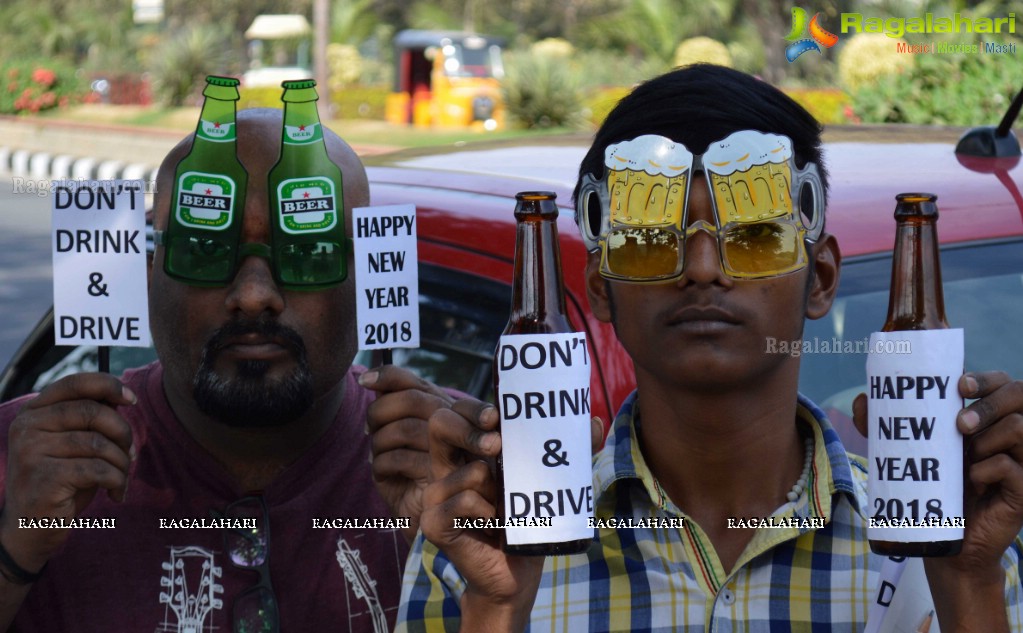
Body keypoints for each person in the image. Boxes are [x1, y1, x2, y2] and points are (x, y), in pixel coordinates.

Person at [396, 64, 1023, 631]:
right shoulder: (480, 539)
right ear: (601, 290)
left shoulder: (962, 540)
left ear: (821, 279)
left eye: (751, 236)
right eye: (649, 241)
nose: (701, 268)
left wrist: (966, 583)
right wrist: (498, 607)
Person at [0, 108, 444, 632]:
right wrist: (15, 548)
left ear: (370, 275)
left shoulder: (460, 467)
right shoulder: (19, 461)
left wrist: (481, 581)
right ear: (148, 274)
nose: (253, 295)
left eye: (309, 250)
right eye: (206, 249)